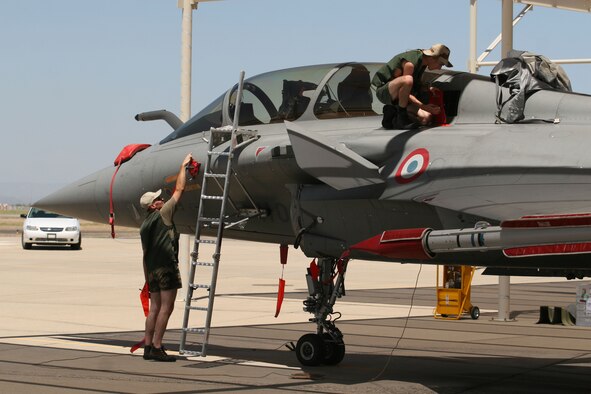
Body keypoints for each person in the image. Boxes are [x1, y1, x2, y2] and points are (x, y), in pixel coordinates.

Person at [139, 153, 193, 362]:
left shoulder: (144, 225)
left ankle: (147, 345)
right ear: (153, 205)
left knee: (154, 308)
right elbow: (179, 190)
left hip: (152, 270)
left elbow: (144, 254)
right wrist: (183, 167)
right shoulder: (164, 213)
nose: (162, 200)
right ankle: (157, 347)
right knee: (166, 308)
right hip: (166, 268)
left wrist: (147, 277)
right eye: (158, 199)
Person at [372, 43, 453, 129]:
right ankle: (401, 118)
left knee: (426, 118)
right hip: (385, 91)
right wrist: (423, 106)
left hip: (401, 99)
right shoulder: (410, 65)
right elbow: (406, 90)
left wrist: (428, 88)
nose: (440, 68)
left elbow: (413, 86)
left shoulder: (422, 63)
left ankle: (392, 116)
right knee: (407, 80)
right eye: (440, 64)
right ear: (433, 58)